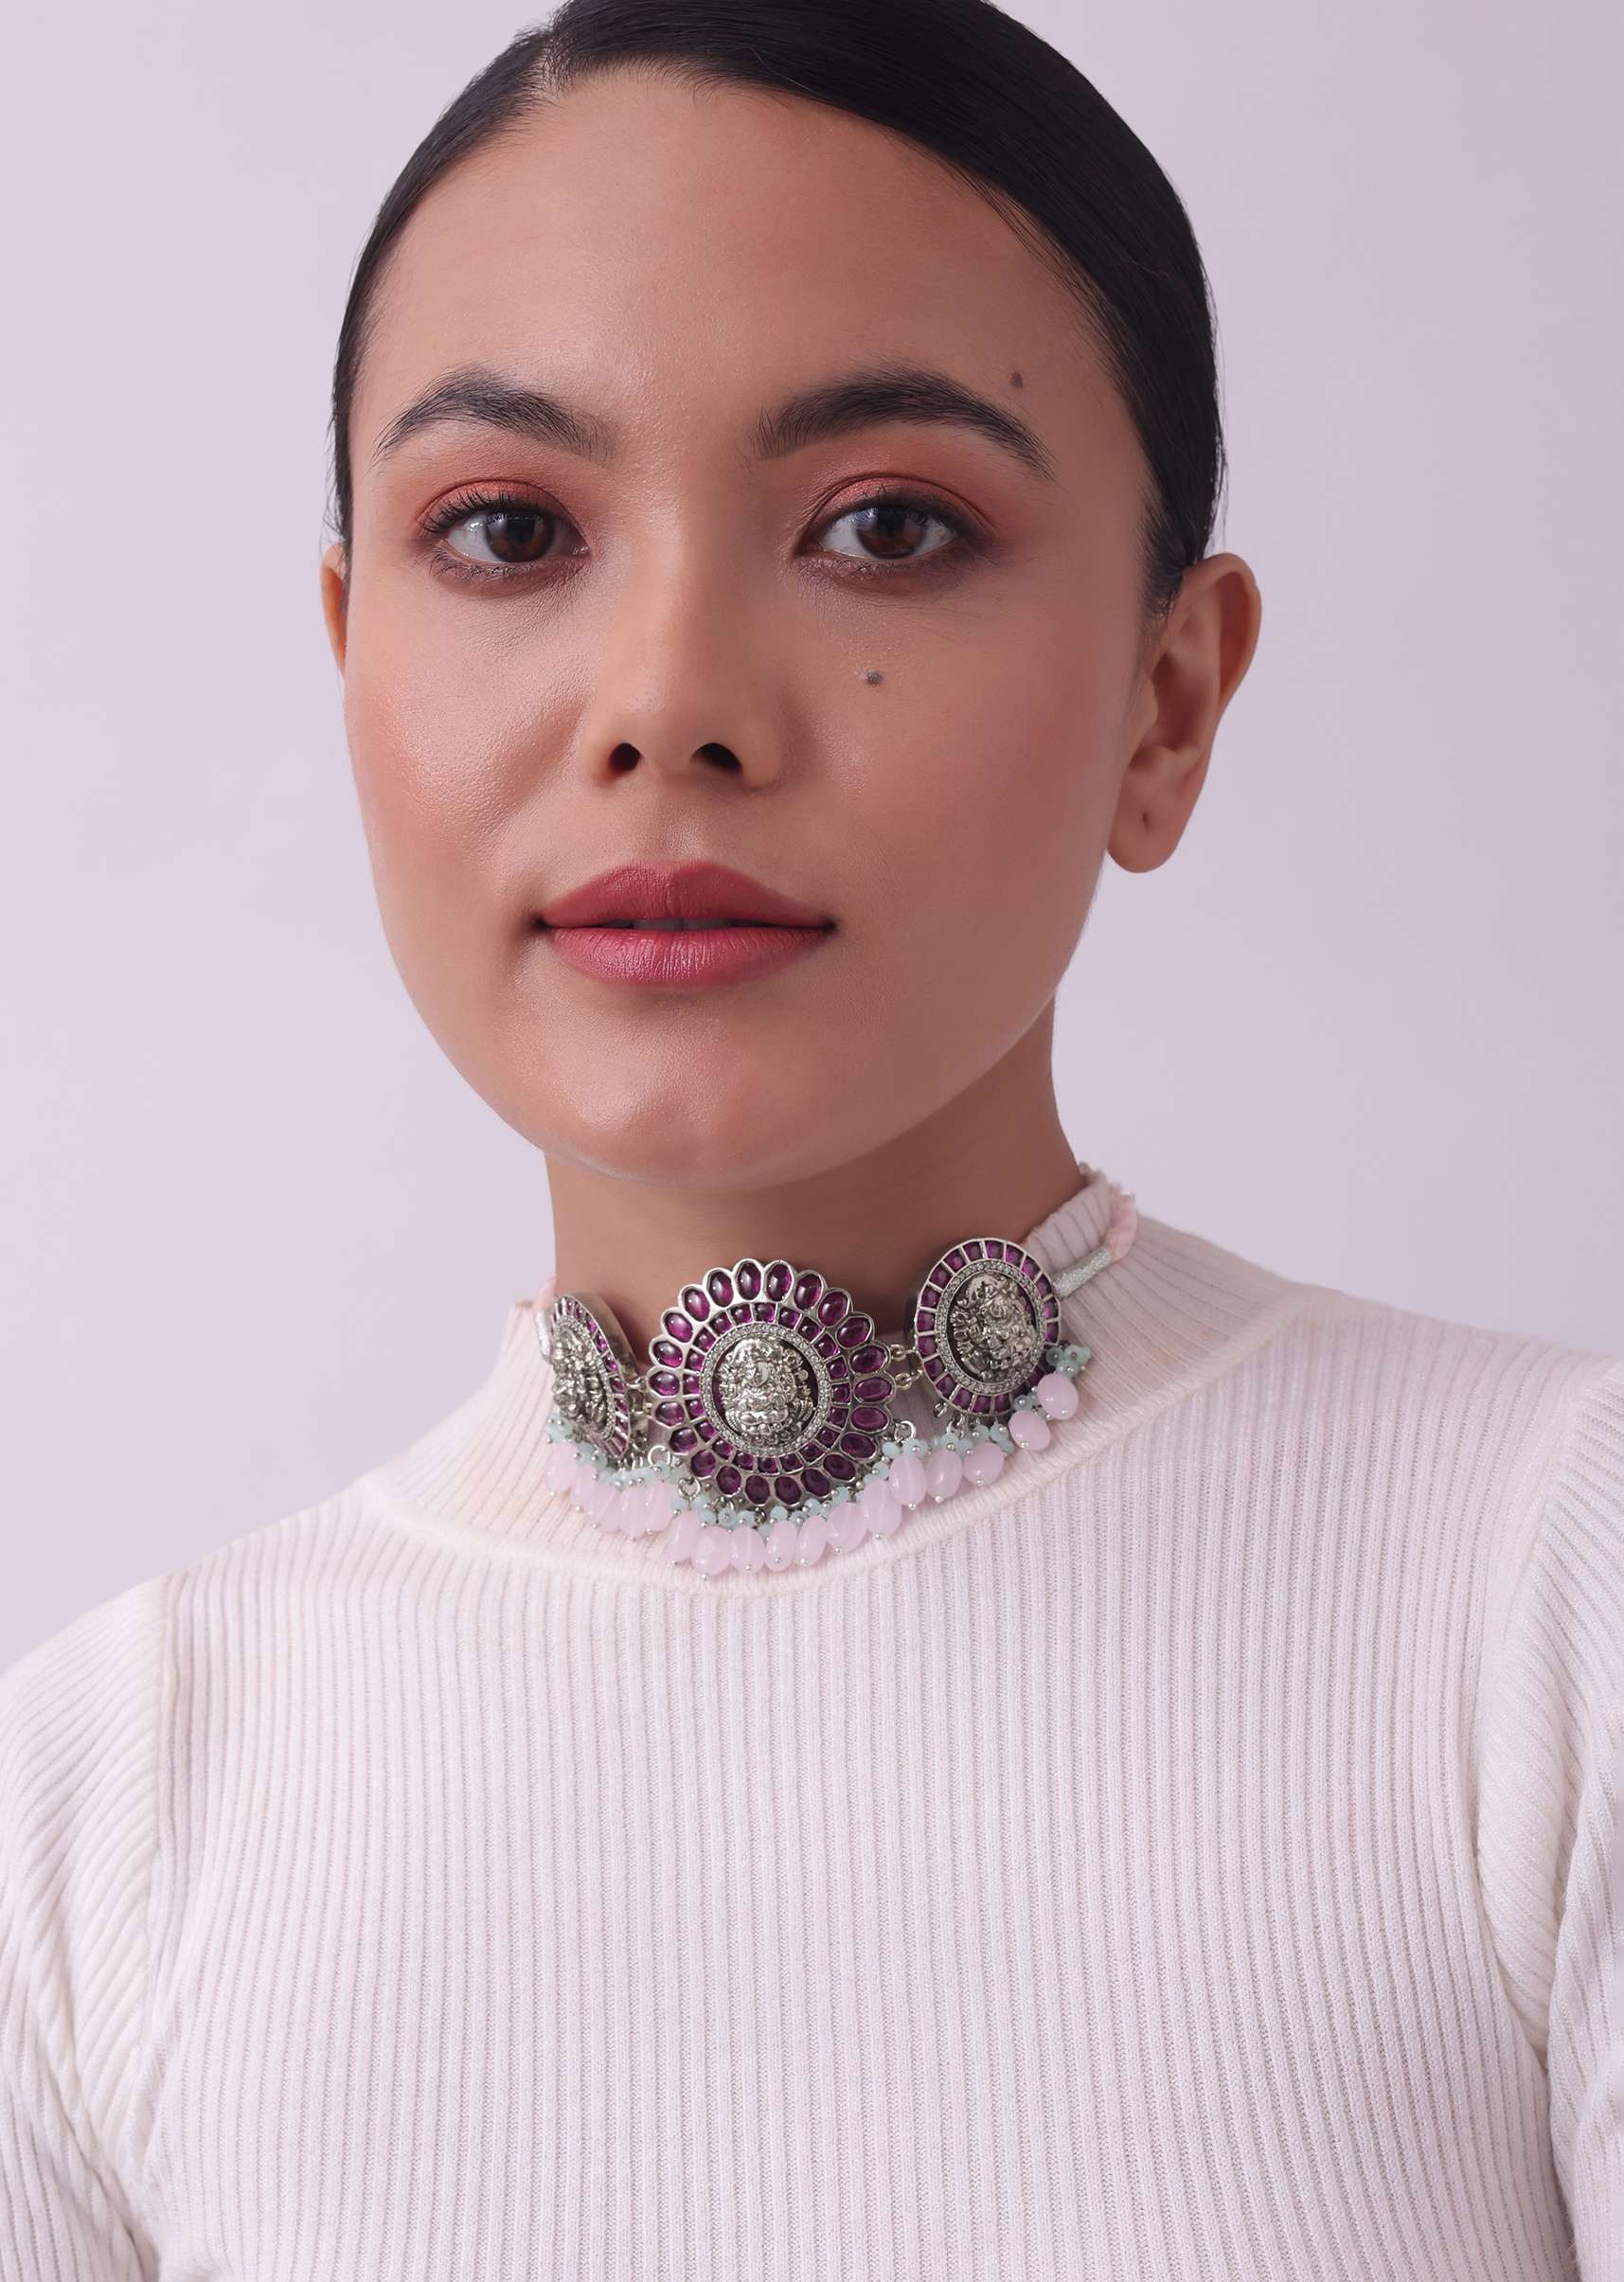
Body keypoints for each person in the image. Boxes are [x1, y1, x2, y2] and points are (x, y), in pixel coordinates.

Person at [3, 0, 1619, 2273]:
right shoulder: (101, 1814)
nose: (669, 700)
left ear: (1169, 701)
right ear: (351, 651)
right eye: (507, 529)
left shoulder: (1550, 1596)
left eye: (886, 524)